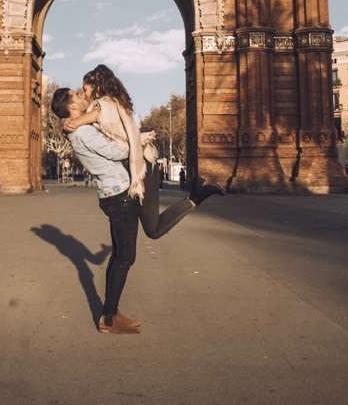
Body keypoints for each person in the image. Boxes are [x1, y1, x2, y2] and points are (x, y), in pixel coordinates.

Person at [51, 65, 225, 334]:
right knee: (125, 257)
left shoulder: (82, 124)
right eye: (78, 94)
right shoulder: (82, 130)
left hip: (118, 193)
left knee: (123, 253)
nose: (83, 95)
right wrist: (135, 144)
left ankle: (110, 313)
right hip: (119, 196)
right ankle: (109, 318)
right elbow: (113, 152)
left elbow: (103, 118)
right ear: (72, 106)